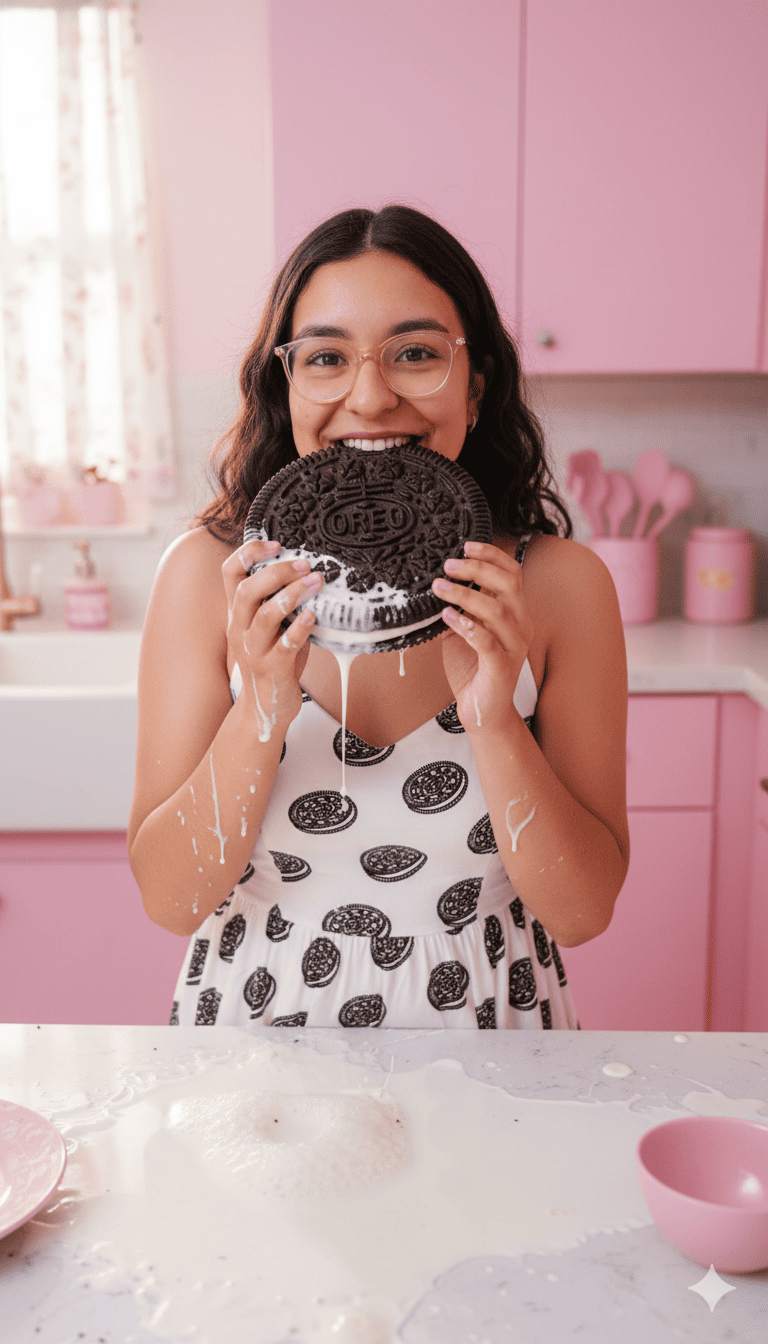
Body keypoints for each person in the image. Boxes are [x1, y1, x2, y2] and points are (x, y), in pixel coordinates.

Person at [128, 205, 629, 1030]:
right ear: (285, 382)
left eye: (417, 354)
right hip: (257, 1054)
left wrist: (495, 722)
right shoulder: (206, 580)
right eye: (326, 356)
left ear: (476, 383)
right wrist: (259, 706)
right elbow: (173, 901)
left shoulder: (558, 588)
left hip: (497, 1048)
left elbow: (581, 914)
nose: (370, 394)